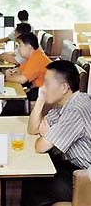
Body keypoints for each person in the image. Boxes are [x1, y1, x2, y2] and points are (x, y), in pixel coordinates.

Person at [21, 60, 91, 206]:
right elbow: (33, 129)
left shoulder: (75, 110)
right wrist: (40, 99)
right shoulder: (64, 104)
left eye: (47, 83)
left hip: (86, 178)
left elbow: (40, 147)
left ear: (64, 87)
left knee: (36, 183)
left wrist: (48, 134)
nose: (43, 87)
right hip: (73, 167)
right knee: (33, 177)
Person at [2, 33, 51, 115]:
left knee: (14, 103)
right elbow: (19, 71)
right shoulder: (33, 56)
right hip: (37, 89)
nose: (18, 49)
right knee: (13, 100)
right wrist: (10, 72)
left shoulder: (37, 58)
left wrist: (4, 78)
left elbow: (22, 79)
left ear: (29, 47)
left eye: (20, 46)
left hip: (45, 92)